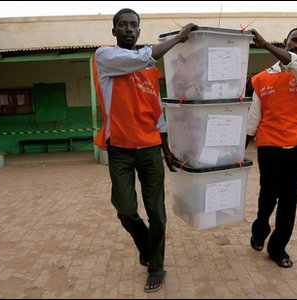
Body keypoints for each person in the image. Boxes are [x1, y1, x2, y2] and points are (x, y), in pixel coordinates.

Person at [93, 8, 196, 292]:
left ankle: (156, 267)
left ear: (139, 30)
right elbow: (143, 56)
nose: (129, 29)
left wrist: (165, 149)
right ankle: (146, 244)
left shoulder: (150, 72)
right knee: (125, 210)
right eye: (123, 25)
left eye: (134, 25)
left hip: (150, 148)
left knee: (157, 212)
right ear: (114, 31)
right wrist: (179, 38)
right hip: (120, 150)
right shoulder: (105, 58)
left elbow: (158, 115)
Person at [245, 27, 297, 268]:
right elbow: (253, 118)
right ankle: (259, 230)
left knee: (289, 201)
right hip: (268, 147)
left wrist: (266, 45)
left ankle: (278, 248)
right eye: (293, 40)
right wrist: (239, 150)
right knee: (267, 197)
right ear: (285, 42)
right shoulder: (261, 78)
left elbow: (296, 65)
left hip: (296, 146)